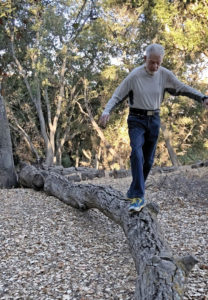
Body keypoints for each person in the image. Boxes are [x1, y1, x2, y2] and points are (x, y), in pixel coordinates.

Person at [99, 43, 208, 213]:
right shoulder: (134, 76)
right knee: (136, 152)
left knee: (148, 161)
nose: (155, 66)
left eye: (158, 63)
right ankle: (138, 196)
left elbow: (182, 87)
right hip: (136, 119)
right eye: (152, 62)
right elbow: (117, 95)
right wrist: (106, 111)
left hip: (154, 119)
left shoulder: (164, 74)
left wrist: (202, 97)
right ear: (145, 59)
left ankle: (132, 190)